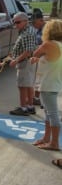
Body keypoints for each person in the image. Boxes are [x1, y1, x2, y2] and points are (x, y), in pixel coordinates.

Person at [29, 19, 62, 151]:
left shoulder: (48, 44)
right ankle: (46, 138)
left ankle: (54, 143)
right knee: (49, 114)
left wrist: (37, 58)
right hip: (55, 83)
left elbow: (35, 54)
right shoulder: (60, 45)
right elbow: (51, 60)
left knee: (52, 114)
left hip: (47, 84)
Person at [8, 12, 37, 116]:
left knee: (22, 86)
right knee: (28, 84)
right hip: (27, 61)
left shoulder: (28, 32)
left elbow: (28, 51)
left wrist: (15, 60)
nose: (16, 25)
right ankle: (30, 106)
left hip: (25, 62)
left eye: (18, 22)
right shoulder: (26, 30)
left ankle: (23, 108)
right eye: (14, 22)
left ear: (25, 21)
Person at [31, 8, 45, 106]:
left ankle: (39, 98)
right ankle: (36, 98)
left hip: (44, 57)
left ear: (41, 20)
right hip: (37, 56)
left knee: (41, 78)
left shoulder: (47, 29)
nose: (34, 25)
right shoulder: (37, 29)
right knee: (38, 78)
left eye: (35, 23)